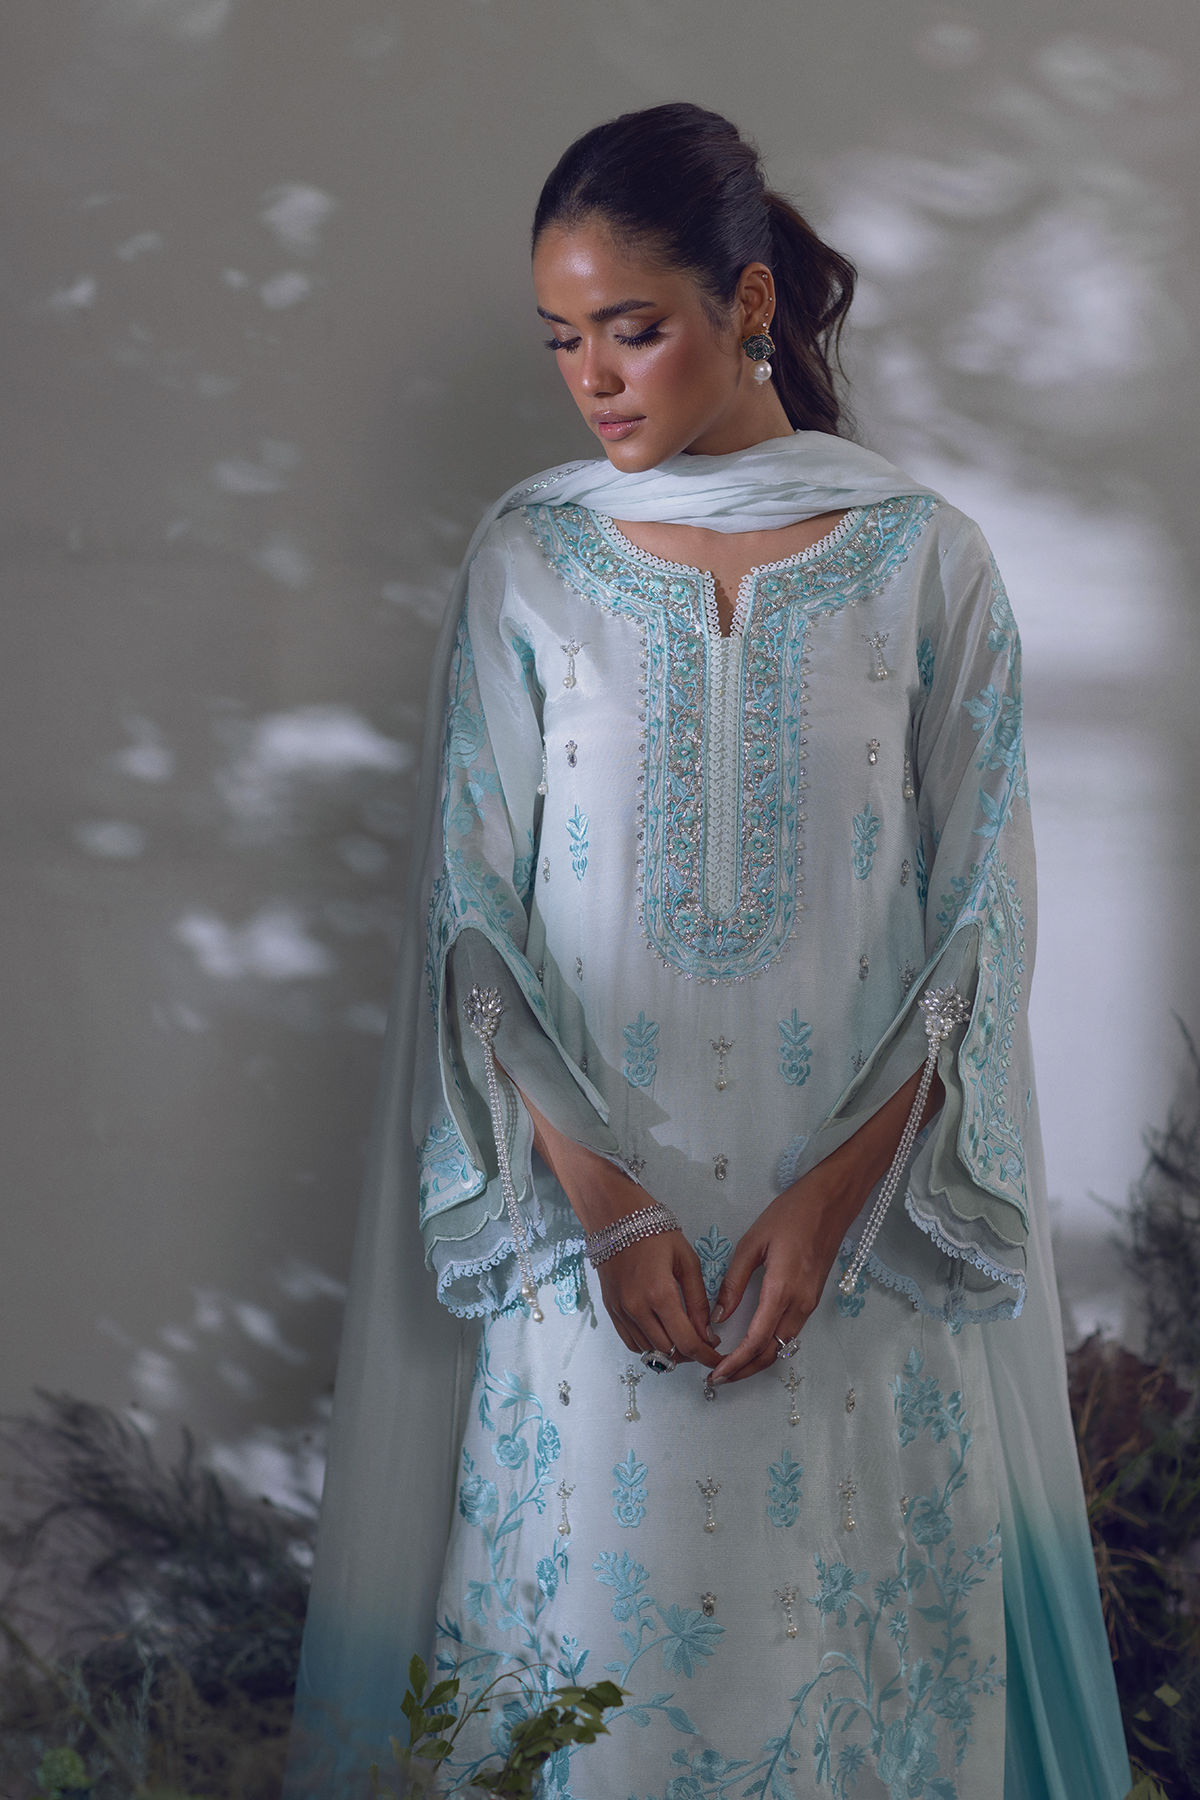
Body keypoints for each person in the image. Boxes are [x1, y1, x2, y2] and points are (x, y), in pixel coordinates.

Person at [286, 104, 1132, 1799]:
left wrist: (829, 1207)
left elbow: (981, 923)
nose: (594, 380)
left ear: (748, 304)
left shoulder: (925, 562)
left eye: (632, 328)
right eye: (563, 340)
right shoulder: (533, 560)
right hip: (598, 1257)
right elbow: (471, 913)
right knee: (598, 1699)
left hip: (863, 1255)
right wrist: (607, 1205)